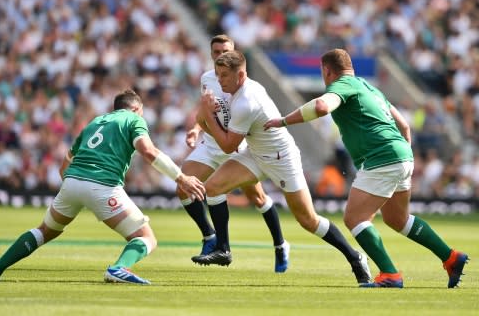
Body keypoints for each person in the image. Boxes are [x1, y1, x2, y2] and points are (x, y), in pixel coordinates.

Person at [264, 48, 469, 288]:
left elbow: (321, 106)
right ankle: (451, 257)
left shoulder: (341, 85)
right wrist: (404, 157)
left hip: (382, 158)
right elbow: (404, 125)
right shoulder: (370, 88)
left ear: (327, 71)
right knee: (398, 219)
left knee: (354, 218)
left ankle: (390, 275)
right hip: (402, 154)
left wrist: (283, 121)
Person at [0, 89, 205, 285]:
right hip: (103, 185)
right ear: (136, 108)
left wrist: (76, 189)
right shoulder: (133, 119)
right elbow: (148, 152)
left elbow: (63, 166)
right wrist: (181, 178)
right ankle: (118, 269)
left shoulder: (94, 123)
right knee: (146, 238)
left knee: (44, 231)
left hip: (72, 183)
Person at [194, 50, 371, 284]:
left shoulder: (247, 101)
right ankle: (224, 250)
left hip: (282, 158)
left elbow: (227, 146)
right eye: (218, 75)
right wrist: (209, 116)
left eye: (225, 75)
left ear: (241, 75)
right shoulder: (238, 89)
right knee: (214, 188)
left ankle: (355, 257)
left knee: (308, 220)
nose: (220, 81)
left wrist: (207, 114)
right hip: (257, 154)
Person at [178, 35, 289, 272]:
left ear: (234, 52)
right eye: (216, 51)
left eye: (224, 51)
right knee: (183, 185)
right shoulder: (207, 79)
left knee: (257, 199)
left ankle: (280, 244)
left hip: (236, 147)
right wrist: (196, 129)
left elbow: (234, 124)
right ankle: (210, 237)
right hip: (211, 145)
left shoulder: (243, 86)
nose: (220, 55)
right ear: (211, 54)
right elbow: (205, 110)